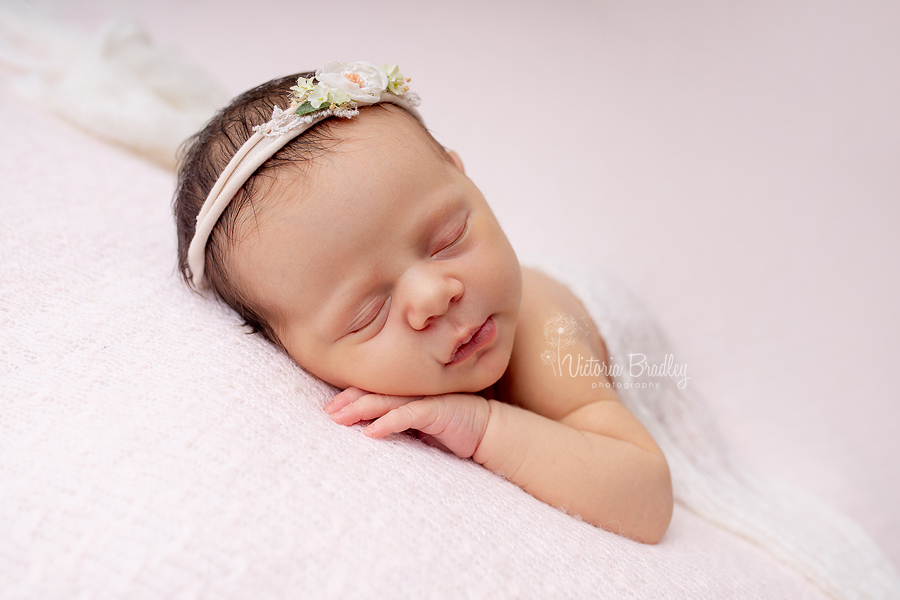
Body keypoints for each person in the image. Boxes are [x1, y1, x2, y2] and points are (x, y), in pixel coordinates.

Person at [174, 61, 673, 544]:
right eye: (368, 313)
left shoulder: (545, 332)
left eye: (448, 238)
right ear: (287, 349)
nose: (434, 296)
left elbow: (646, 496)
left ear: (465, 178)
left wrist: (485, 427)